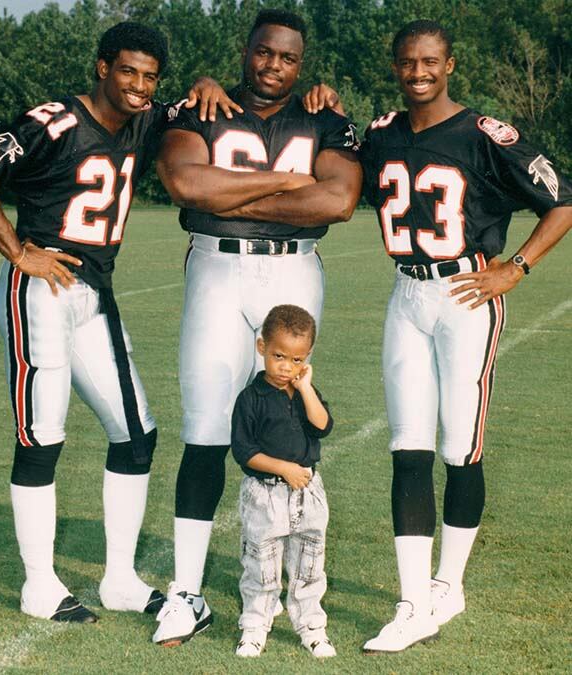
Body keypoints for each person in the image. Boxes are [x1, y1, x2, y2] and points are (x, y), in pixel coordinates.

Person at [0, 21, 239, 623]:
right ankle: (38, 585)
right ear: (101, 67)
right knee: (43, 437)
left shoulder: (145, 117)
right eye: (127, 71)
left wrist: (204, 80)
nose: (140, 85)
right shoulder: (54, 122)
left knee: (136, 434)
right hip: (39, 288)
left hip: (94, 293)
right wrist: (18, 250)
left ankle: (119, 579)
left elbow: (191, 99)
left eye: (149, 75)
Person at [353, 19, 572, 652]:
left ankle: (449, 583)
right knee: (408, 446)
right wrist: (324, 105)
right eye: (406, 62)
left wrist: (517, 266)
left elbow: (562, 200)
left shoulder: (484, 134)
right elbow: (332, 150)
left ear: (451, 65)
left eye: (429, 61)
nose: (417, 72)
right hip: (406, 294)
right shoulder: (382, 133)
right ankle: (412, 599)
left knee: (459, 445)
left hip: (466, 293)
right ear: (394, 66)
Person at [152, 8, 362, 647]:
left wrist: (232, 190)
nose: (274, 66)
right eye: (264, 53)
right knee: (206, 429)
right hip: (218, 270)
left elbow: (339, 200)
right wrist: (285, 184)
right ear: (246, 51)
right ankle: (187, 592)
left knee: (290, 424)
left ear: (303, 65)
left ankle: (292, 593)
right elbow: (188, 183)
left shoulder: (327, 116)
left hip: (295, 273)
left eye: (288, 58)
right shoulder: (200, 106)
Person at [231, 304, 335, 659]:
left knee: (309, 563)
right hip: (266, 494)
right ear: (262, 348)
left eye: (296, 360)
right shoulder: (251, 399)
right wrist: (283, 468)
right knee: (261, 566)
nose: (285, 367)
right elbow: (244, 452)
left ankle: (312, 627)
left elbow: (322, 425)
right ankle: (254, 626)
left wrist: (305, 388)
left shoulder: (304, 390)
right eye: (278, 356)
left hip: (308, 492)